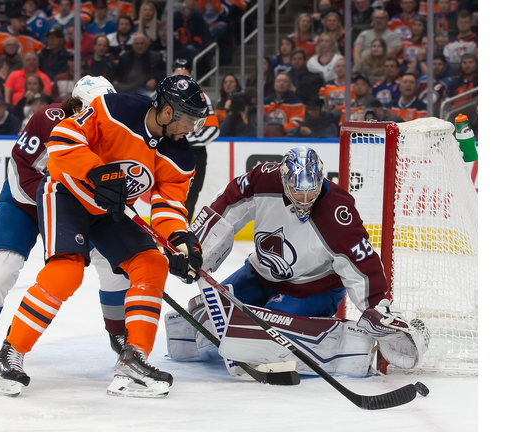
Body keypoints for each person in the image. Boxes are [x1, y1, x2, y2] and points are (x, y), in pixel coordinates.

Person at [0, 75, 208, 398]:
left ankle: (134, 360)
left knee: (152, 264)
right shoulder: (115, 108)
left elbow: (169, 204)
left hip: (111, 210)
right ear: (168, 111)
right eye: (189, 119)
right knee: (67, 270)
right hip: (67, 194)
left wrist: (181, 239)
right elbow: (62, 138)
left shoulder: (181, 156)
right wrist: (94, 172)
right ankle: (9, 354)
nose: (192, 128)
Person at [164, 147, 429, 376]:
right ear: (283, 179)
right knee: (201, 318)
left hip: (313, 289)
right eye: (297, 193)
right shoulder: (263, 179)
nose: (304, 201)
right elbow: (224, 208)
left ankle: (328, 342)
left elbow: (362, 263)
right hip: (258, 275)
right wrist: (193, 250)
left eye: (311, 194)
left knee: (263, 332)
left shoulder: (338, 212)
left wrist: (376, 308)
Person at [0, 77, 133, 368]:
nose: (102, 119)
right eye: (94, 110)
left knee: (115, 266)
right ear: (77, 106)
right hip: (23, 203)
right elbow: (22, 166)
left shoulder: (117, 134)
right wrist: (67, 198)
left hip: (78, 208)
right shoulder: (47, 120)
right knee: (3, 266)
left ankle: (120, 332)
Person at [171, 59, 221, 220]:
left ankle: (182, 230)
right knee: (164, 191)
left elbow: (212, 128)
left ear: (191, 76)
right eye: (178, 74)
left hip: (194, 154)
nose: (181, 78)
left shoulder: (201, 97)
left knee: (191, 195)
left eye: (184, 75)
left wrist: (187, 143)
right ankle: (161, 229)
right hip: (169, 151)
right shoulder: (165, 95)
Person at [263, 72, 305, 137]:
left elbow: (296, 123)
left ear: (289, 85)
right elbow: (261, 120)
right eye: (278, 81)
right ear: (274, 85)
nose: (281, 83)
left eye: (284, 81)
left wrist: (279, 130)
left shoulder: (296, 102)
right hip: (268, 134)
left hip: (287, 136)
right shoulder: (265, 102)